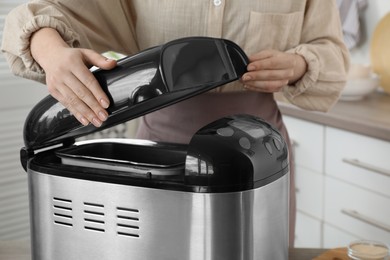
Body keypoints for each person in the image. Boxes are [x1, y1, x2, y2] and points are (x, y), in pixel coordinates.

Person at [1, 0, 349, 246]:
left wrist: (300, 64)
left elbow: (332, 50)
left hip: (258, 150)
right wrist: (50, 50)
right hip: (160, 149)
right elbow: (50, 12)